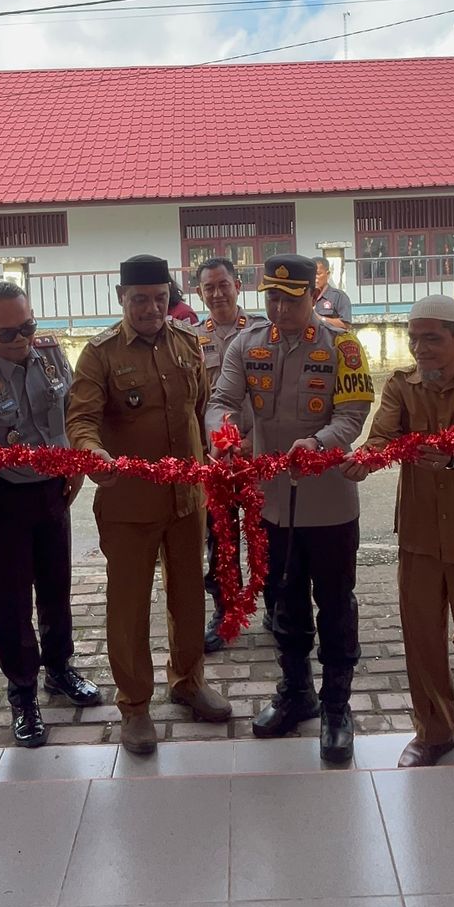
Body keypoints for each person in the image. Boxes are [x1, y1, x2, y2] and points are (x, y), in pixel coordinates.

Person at [206, 254, 374, 763]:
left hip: (328, 504)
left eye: (290, 299)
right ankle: (296, 692)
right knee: (283, 601)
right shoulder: (247, 343)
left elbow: (352, 415)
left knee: (336, 605)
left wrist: (319, 443)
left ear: (313, 296)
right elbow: (220, 400)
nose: (279, 309)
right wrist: (223, 435)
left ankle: (337, 706)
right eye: (272, 298)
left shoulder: (343, 346)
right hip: (271, 504)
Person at [66, 255, 231, 755]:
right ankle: (135, 706)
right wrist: (91, 451)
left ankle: (188, 680)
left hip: (186, 498)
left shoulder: (187, 342)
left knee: (189, 596)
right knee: (129, 606)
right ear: (122, 298)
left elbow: (199, 408)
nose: (152, 309)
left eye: (160, 299)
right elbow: (81, 419)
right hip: (129, 502)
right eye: (140, 299)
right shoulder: (99, 354)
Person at [345, 295, 454, 767]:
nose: (420, 348)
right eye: (414, 339)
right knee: (422, 640)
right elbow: (382, 436)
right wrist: (365, 460)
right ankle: (434, 733)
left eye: (431, 339)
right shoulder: (403, 385)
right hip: (419, 535)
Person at [0, 282, 101, 747]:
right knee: (11, 601)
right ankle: (22, 692)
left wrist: (76, 463)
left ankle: (59, 668)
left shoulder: (51, 352)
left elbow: (73, 410)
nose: (21, 339)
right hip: (4, 498)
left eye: (28, 326)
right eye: (7, 333)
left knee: (57, 587)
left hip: (53, 490)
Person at [195, 257, 258, 651]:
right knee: (220, 537)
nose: (217, 294)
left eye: (223, 285)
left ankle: (277, 606)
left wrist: (254, 440)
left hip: (259, 452)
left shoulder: (260, 332)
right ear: (200, 293)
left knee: (268, 532)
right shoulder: (190, 339)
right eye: (209, 288)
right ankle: (224, 609)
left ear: (238, 285)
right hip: (215, 457)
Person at [314, 257, 352, 328]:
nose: (315, 278)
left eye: (318, 274)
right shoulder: (305, 296)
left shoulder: (338, 296)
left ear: (327, 274)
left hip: (329, 335)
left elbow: (346, 325)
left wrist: (320, 319)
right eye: (311, 274)